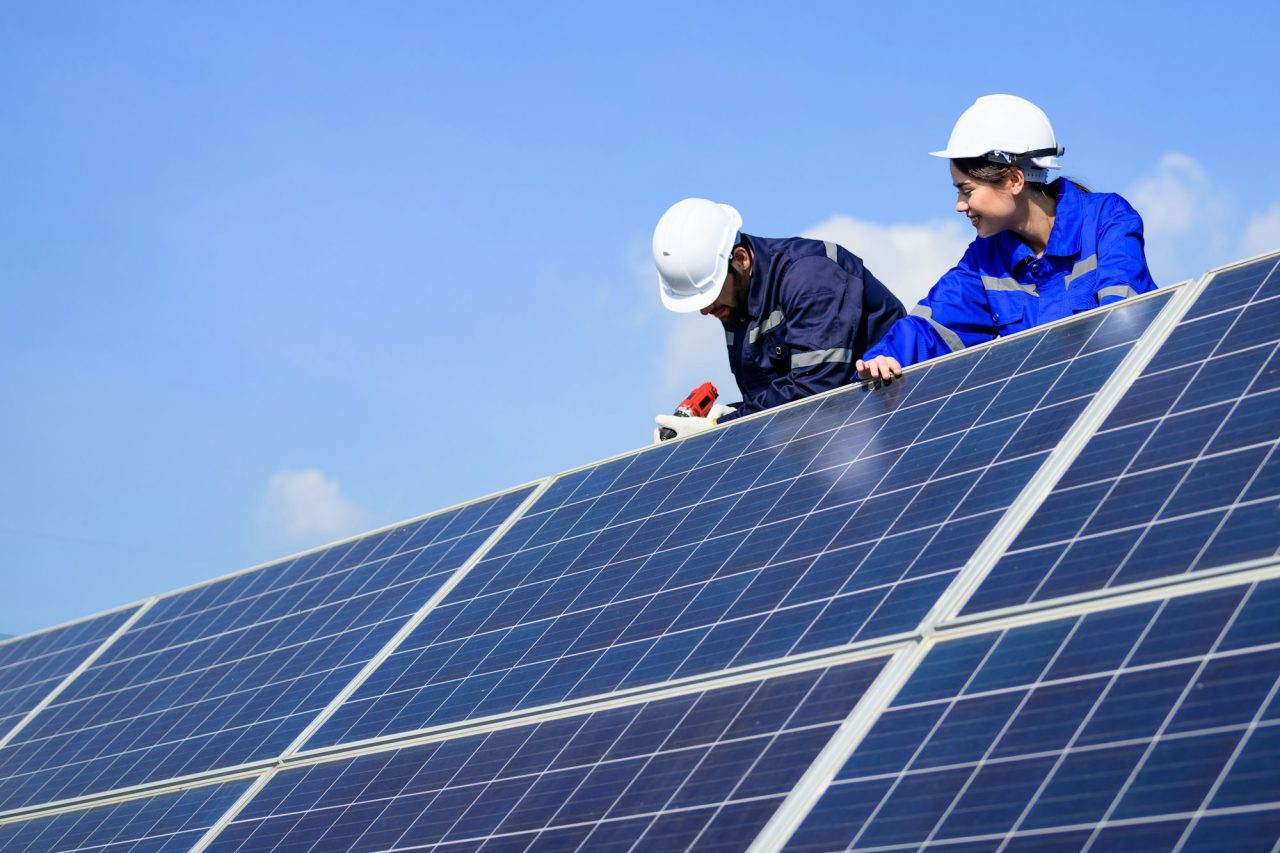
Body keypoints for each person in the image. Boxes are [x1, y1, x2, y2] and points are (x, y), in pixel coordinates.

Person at [857, 94, 1157, 383]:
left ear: (1015, 180)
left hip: (1123, 397)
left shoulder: (1108, 219)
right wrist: (884, 358)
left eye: (967, 190)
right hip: (1052, 415)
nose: (960, 205)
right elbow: (932, 328)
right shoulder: (984, 260)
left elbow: (1123, 319)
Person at [652, 198, 905, 440]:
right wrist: (730, 415)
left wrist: (720, 428)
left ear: (740, 259)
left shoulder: (811, 277)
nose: (705, 310)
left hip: (896, 419)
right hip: (844, 439)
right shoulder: (735, 305)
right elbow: (771, 405)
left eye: (711, 292)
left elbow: (815, 393)